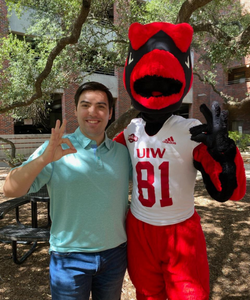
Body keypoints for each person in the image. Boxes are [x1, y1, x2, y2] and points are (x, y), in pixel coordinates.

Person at [114, 22, 246, 300]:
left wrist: (224, 153)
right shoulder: (130, 132)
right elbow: (99, 161)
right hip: (140, 229)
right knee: (147, 294)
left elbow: (228, 192)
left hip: (181, 231)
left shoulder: (191, 130)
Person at [3, 81, 132, 300]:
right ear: (75, 110)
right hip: (68, 257)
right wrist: (44, 159)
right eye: (85, 105)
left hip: (114, 254)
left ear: (110, 113)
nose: (93, 112)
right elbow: (10, 189)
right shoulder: (56, 147)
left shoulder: (122, 153)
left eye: (101, 106)